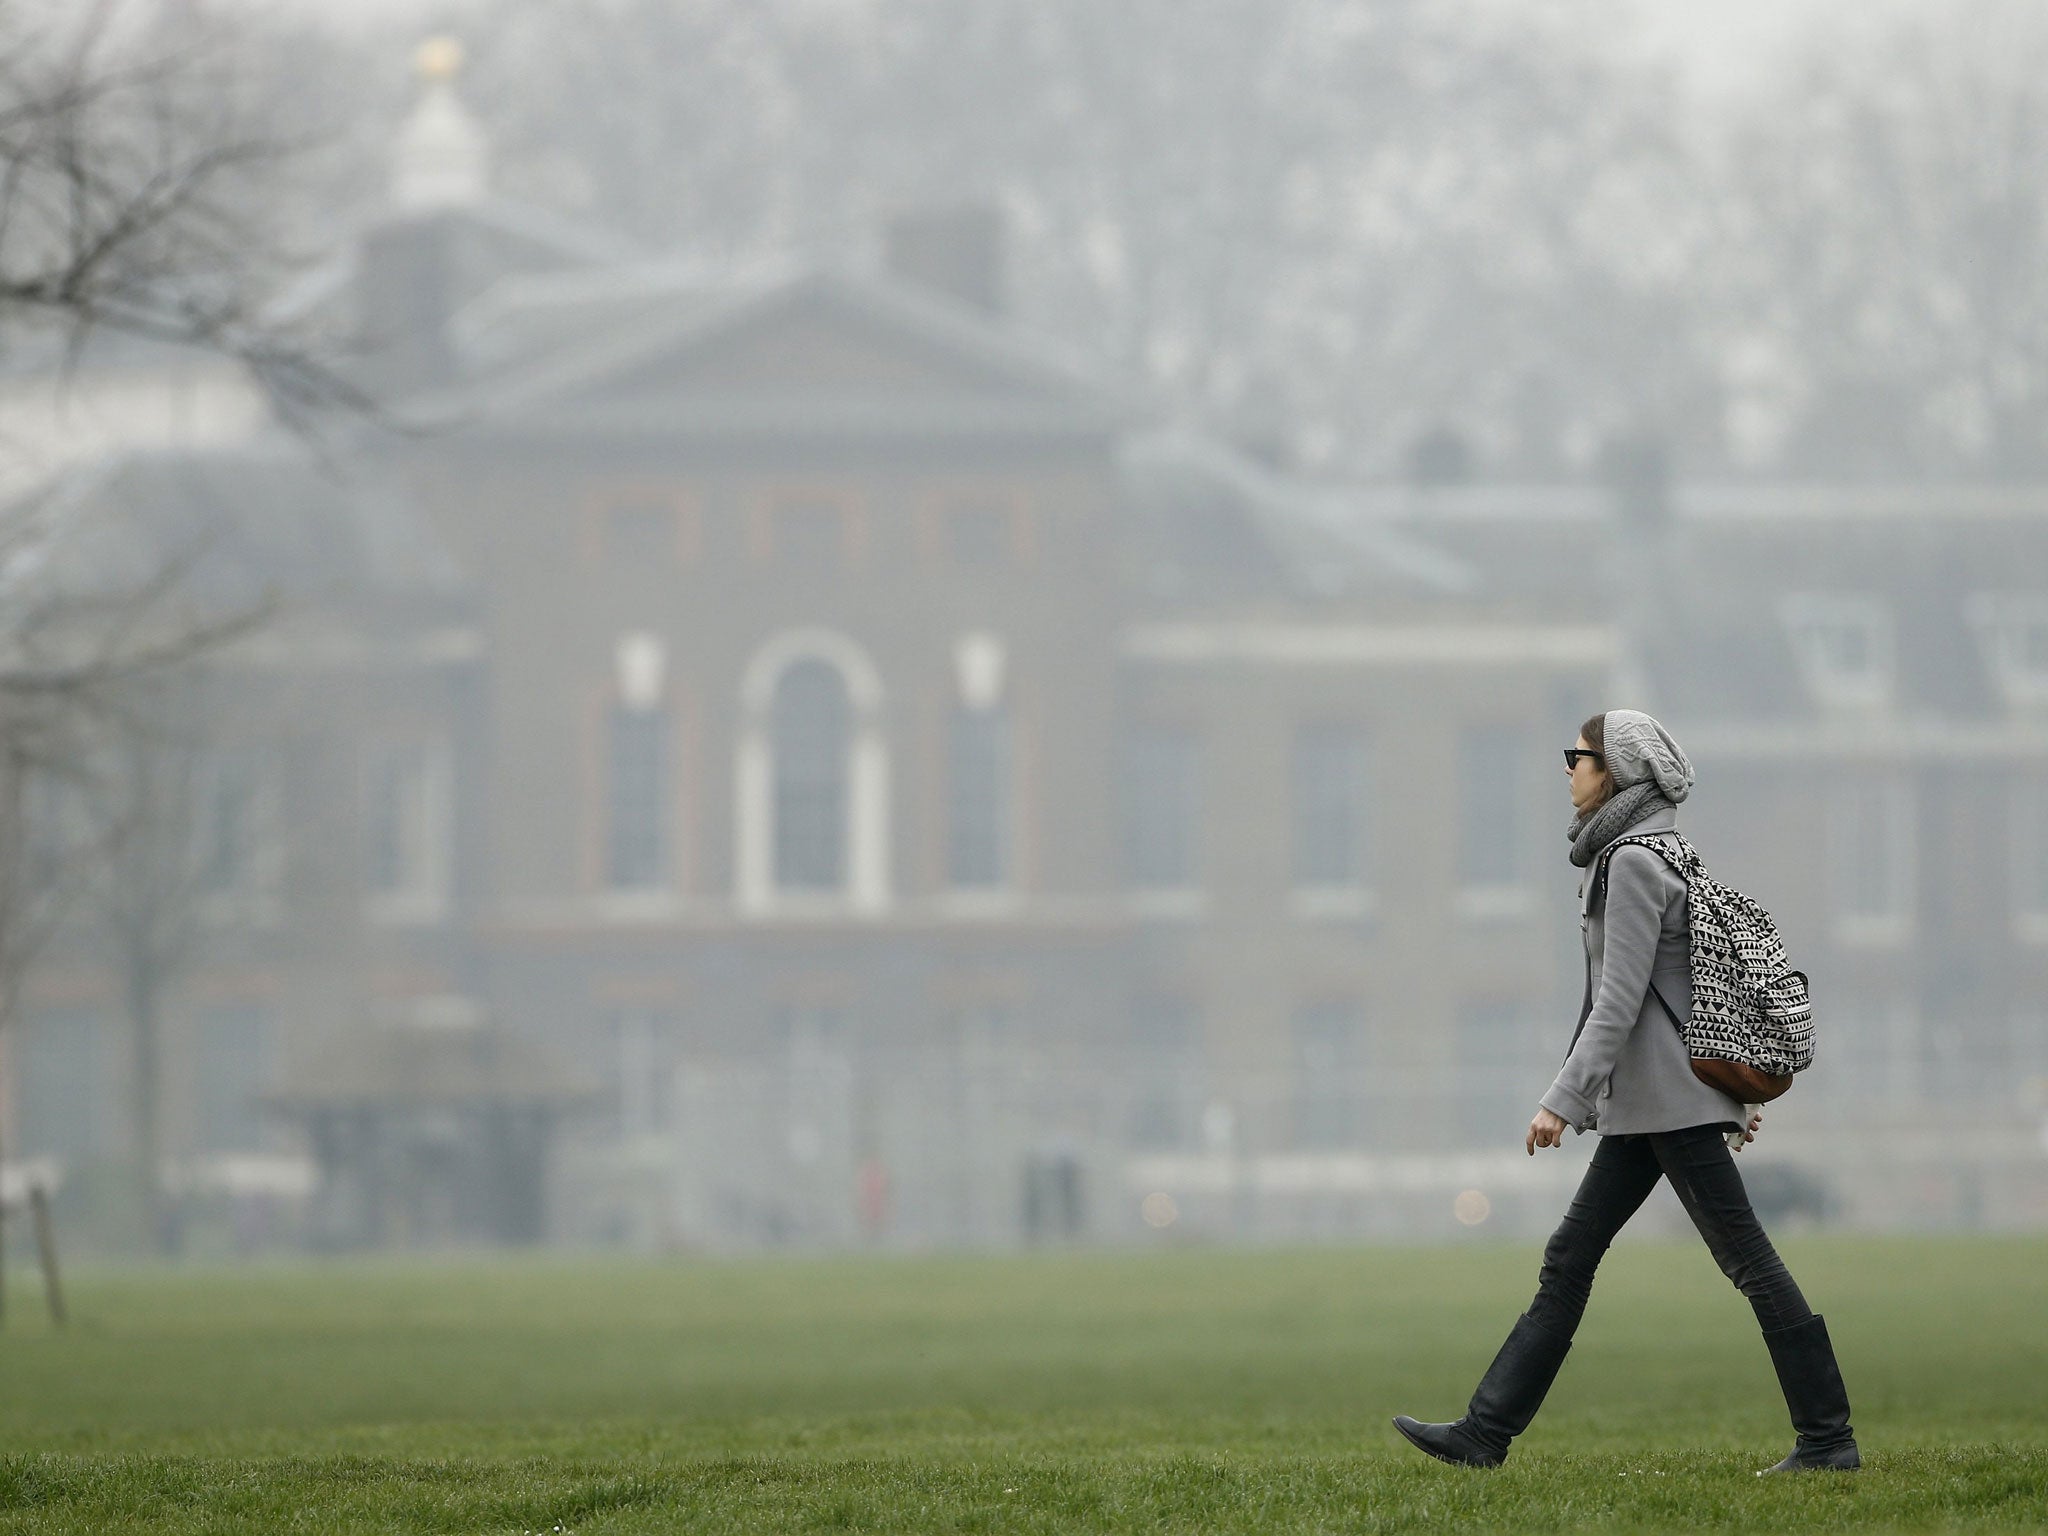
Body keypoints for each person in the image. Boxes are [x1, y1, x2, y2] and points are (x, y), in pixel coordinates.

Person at [1392, 709, 1860, 1475]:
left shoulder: (1636, 863)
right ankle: (1484, 1435)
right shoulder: (1656, 852)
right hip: (1651, 1107)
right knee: (1571, 1255)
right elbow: (1669, 995)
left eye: (1580, 755)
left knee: (1748, 1261)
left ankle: (1828, 1439)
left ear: (1618, 773)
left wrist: (1561, 1100)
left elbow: (1619, 998)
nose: (1568, 767)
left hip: (1667, 1107)